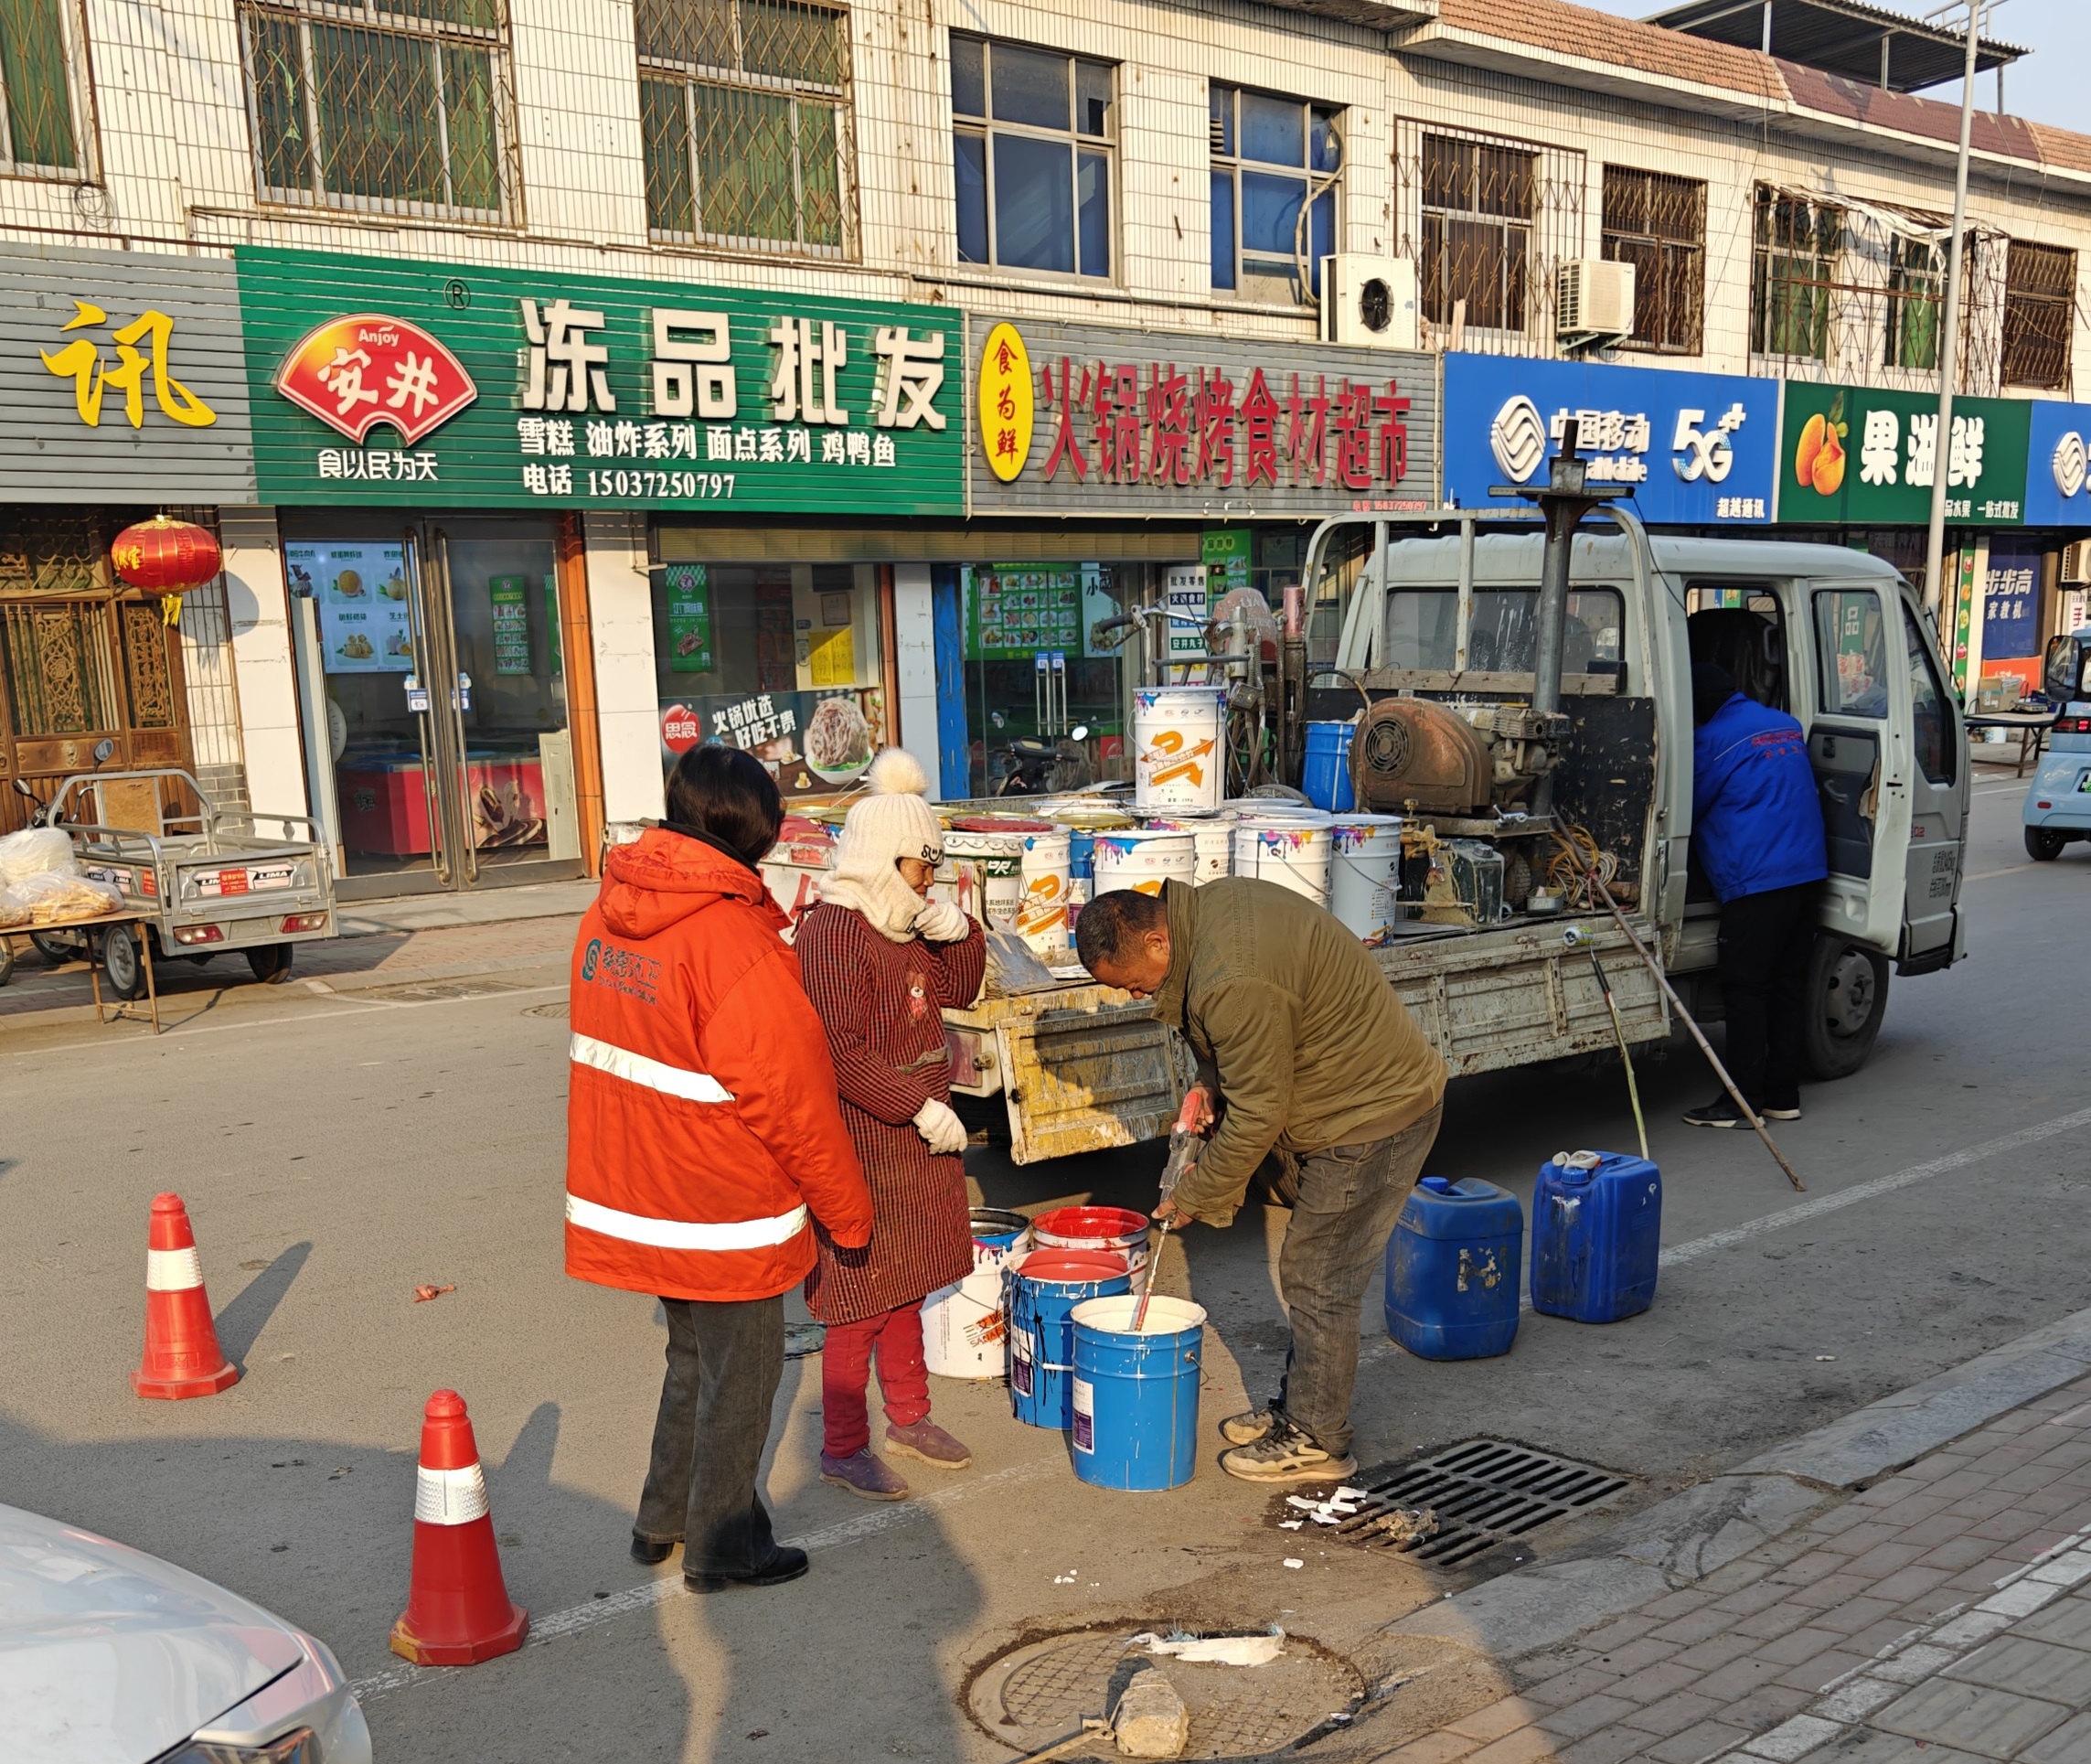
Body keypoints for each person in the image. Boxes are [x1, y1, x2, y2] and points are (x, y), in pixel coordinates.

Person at [564, 744, 874, 1591]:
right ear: (754, 832)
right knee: (745, 1374)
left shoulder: (607, 917)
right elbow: (794, 1103)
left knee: (691, 1360)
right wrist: (849, 1216)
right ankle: (723, 1543)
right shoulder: (733, 940)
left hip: (636, 1189)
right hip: (720, 1202)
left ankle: (661, 1520)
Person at [1075, 875, 1448, 1484]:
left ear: (1154, 940)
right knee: (1315, 1265)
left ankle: (1317, 1437)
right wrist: (1207, 1081)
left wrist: (1193, 1193)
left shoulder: (1231, 977)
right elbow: (1236, 1046)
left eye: (1133, 983)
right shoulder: (1204, 915)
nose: (1136, 995)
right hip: (1342, 1095)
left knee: (1318, 1274)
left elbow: (1256, 1115)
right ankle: (1301, 1408)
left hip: (1372, 1112)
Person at [794, 748, 987, 1502]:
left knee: (907, 1284)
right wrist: (919, 1107)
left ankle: (910, 1417)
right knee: (858, 1297)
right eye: (921, 868)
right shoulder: (834, 932)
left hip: (917, 1130)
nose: (928, 881)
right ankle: (842, 1445)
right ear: (882, 858)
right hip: (865, 1135)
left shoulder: (901, 923)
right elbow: (839, 1052)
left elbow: (959, 988)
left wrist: (957, 928)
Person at [1683, 660, 1830, 1128]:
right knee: (1787, 987)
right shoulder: (1785, 725)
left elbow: (1683, 806)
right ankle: (1782, 1097)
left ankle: (1741, 1103)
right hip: (1807, 875)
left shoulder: (1709, 742)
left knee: (1745, 991)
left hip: (1757, 883)